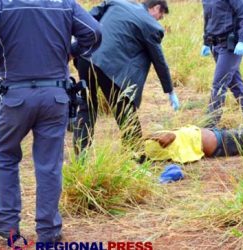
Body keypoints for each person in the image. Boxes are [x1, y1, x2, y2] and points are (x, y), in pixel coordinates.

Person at [0, 0, 101, 243]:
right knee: (49, 164)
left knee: (4, 156)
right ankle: (48, 231)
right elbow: (94, 33)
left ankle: (8, 226)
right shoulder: (64, 3)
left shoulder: (0, 3)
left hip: (15, 97)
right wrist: (70, 52)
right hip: (55, 96)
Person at [73, 0, 179, 154]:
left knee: (86, 107)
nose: (159, 20)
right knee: (125, 113)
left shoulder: (117, 3)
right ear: (156, 7)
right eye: (160, 16)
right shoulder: (151, 25)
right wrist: (170, 91)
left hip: (86, 58)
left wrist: (76, 39)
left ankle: (81, 158)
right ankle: (137, 159)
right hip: (110, 68)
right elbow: (159, 61)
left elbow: (90, 15)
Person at [200, 0, 243, 130]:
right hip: (215, 45)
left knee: (219, 84)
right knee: (235, 84)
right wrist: (206, 41)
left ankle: (210, 124)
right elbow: (208, 18)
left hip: (230, 46)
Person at [144, 125, 243, 163]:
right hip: (221, 141)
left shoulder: (150, 150)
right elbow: (169, 137)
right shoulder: (151, 148)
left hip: (217, 137)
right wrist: (150, 136)